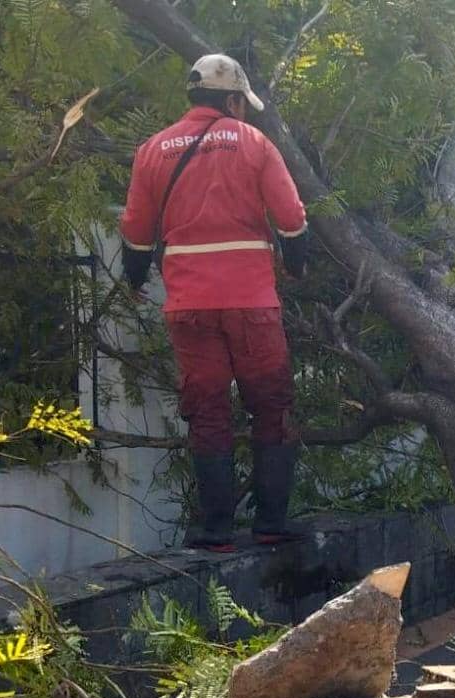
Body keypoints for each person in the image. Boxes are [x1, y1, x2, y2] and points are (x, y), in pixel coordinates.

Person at [120, 54, 309, 552]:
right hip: (251, 303)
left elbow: (136, 234)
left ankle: (217, 531)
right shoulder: (253, 142)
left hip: (190, 306)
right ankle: (270, 523)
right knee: (271, 406)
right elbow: (291, 219)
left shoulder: (153, 150)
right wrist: (297, 265)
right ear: (230, 100)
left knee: (207, 411)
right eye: (241, 104)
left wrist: (135, 280)